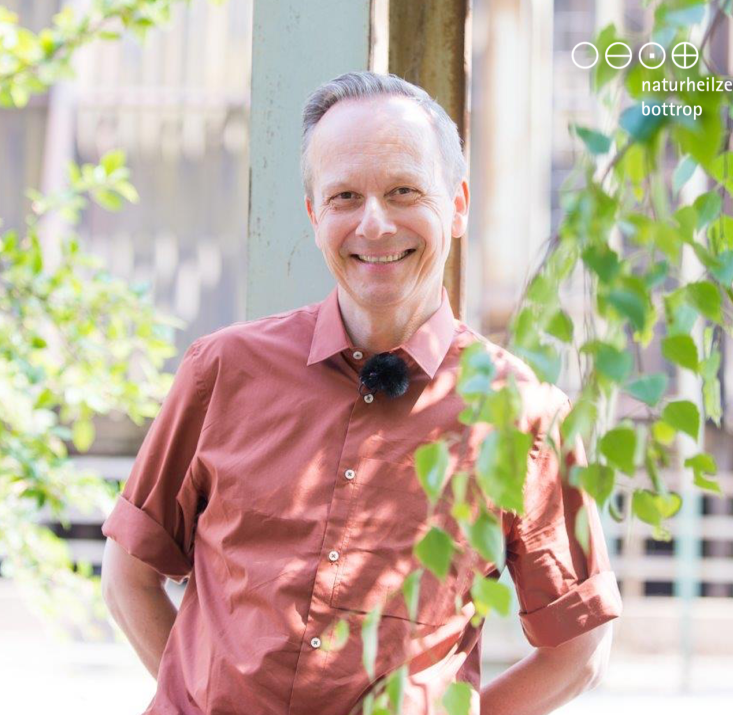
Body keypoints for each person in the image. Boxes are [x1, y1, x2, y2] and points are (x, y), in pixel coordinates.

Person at [100, 70, 622, 715]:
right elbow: (129, 577)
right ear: (316, 215)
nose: (374, 224)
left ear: (457, 205)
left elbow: (581, 647)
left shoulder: (522, 415)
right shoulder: (222, 369)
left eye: (404, 191)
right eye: (345, 196)